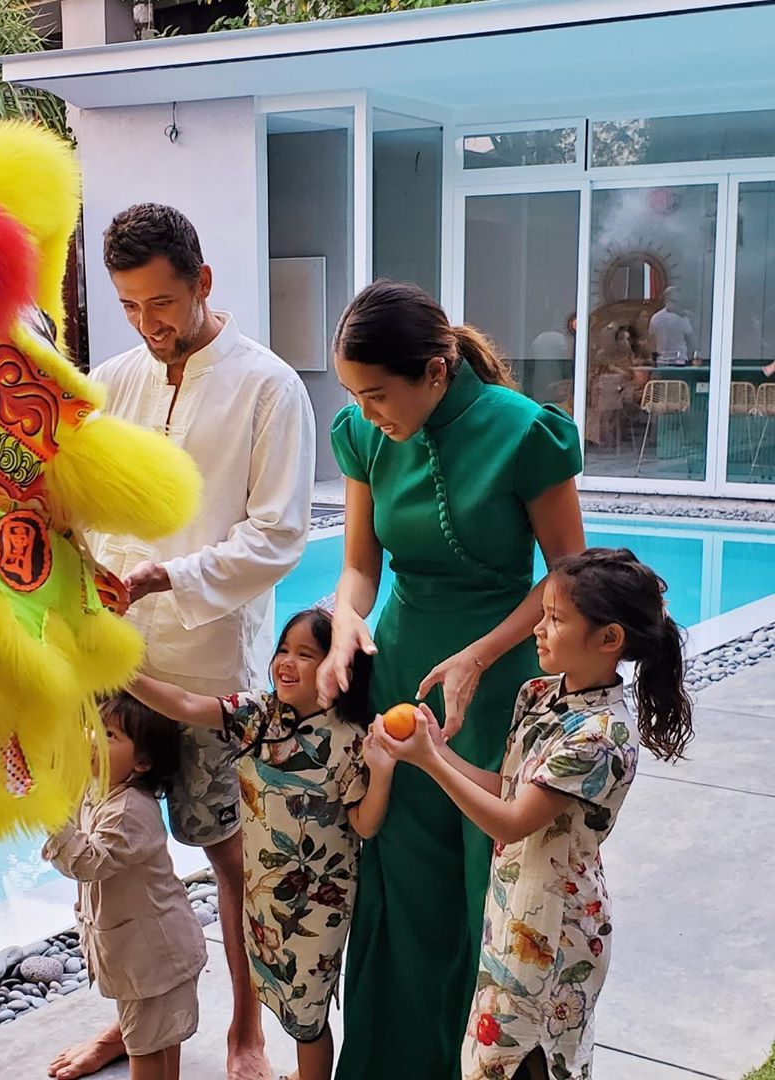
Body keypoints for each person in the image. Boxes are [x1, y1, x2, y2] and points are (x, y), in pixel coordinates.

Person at [50, 204, 316, 1080]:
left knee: (228, 858)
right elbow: (84, 507)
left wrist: (172, 577)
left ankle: (245, 1030)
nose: (148, 323)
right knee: (111, 859)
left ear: (203, 282)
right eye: (129, 305)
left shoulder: (269, 386)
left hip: (207, 671)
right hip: (114, 668)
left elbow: (279, 535)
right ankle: (133, 1030)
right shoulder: (115, 380)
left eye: (161, 301)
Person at [316, 280, 586, 1080]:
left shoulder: (525, 434)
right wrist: (347, 622)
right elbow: (360, 565)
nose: (367, 413)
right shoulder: (365, 435)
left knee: (488, 879)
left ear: (436, 372)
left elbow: (570, 576)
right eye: (354, 395)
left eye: (377, 394)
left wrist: (478, 655)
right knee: (403, 873)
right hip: (404, 669)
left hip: (499, 680)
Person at [376, 547, 694, 1080]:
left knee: (530, 1061)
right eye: (541, 615)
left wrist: (429, 762)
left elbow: (513, 821)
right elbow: (508, 789)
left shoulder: (601, 736)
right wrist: (438, 749)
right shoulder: (539, 695)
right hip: (512, 911)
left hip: (557, 932)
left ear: (609, 639)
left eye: (555, 619)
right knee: (492, 1059)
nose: (538, 630)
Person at [129, 608, 395, 1080]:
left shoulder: (348, 740)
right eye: (283, 651)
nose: (286, 662)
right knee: (280, 998)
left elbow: (365, 825)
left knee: (308, 1018)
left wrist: (383, 771)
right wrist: (122, 673)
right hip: (263, 898)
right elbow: (187, 705)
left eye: (306, 654)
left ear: (340, 667)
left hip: (316, 908)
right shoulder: (260, 715)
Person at [43, 694, 208, 1080]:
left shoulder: (131, 810)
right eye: (93, 728)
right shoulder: (99, 789)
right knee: (159, 1038)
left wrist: (48, 813)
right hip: (145, 954)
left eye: (110, 735)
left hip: (153, 957)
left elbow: (87, 862)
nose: (92, 739)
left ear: (142, 763)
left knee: (146, 1050)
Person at [649, 287, 694, 366]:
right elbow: (691, 340)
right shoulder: (682, 318)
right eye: (675, 301)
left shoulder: (655, 318)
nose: (677, 305)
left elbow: (652, 342)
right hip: (678, 362)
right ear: (666, 300)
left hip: (662, 362)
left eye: (679, 302)